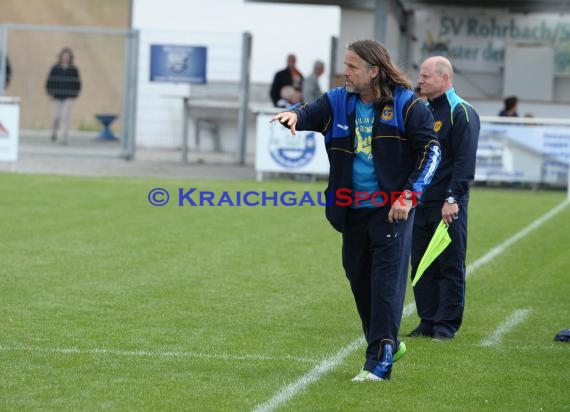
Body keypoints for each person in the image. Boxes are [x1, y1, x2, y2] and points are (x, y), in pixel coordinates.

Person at [272, 40, 440, 381]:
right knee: (359, 280)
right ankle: (388, 341)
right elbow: (310, 111)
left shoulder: (407, 105)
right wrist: (295, 116)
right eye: (345, 65)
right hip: (351, 213)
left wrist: (408, 195)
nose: (344, 72)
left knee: (386, 286)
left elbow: (432, 152)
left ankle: (379, 362)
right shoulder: (337, 100)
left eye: (352, 67)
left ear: (373, 71)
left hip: (392, 212)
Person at [408, 56, 480, 341]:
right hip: (421, 202)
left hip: (448, 204)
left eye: (426, 76)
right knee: (422, 263)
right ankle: (427, 321)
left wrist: (452, 198)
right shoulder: (423, 111)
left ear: (445, 79)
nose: (420, 80)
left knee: (449, 264)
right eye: (421, 75)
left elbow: (464, 162)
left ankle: (445, 326)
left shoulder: (461, 112)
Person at [45, 47, 81, 144]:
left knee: (65, 117)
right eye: (64, 56)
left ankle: (64, 138)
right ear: (60, 57)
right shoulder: (55, 68)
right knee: (55, 116)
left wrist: (75, 94)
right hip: (56, 96)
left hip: (68, 97)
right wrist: (49, 93)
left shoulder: (73, 69)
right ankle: (53, 133)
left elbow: (77, 83)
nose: (66, 58)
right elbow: (49, 81)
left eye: (67, 56)